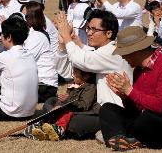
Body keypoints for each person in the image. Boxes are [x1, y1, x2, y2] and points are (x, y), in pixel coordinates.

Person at [100, 26, 162, 150]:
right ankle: (120, 139)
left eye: (124, 53)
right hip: (150, 119)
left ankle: (129, 136)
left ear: (136, 50)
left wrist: (130, 91)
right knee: (108, 108)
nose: (122, 57)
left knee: (146, 119)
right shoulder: (139, 70)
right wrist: (124, 96)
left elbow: (160, 107)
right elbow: (138, 107)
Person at [55, 9, 133, 138]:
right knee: (52, 103)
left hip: (113, 113)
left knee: (72, 121)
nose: (89, 33)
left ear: (108, 33)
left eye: (94, 30)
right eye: (88, 29)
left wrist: (68, 37)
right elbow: (66, 71)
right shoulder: (98, 52)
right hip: (94, 108)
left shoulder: (113, 52)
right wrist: (62, 44)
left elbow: (81, 60)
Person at [25, 68, 99, 141]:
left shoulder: (90, 87)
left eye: (75, 74)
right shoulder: (75, 84)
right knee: (51, 100)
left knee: (66, 114)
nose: (72, 76)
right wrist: (59, 104)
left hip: (76, 112)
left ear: (86, 76)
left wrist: (67, 100)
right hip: (66, 107)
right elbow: (66, 100)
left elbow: (84, 105)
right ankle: (48, 122)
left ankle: (56, 129)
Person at [22, 3, 58, 102]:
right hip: (41, 85)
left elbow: (22, 60)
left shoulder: (37, 36)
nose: (21, 20)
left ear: (31, 18)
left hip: (44, 87)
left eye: (24, 16)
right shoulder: (34, 34)